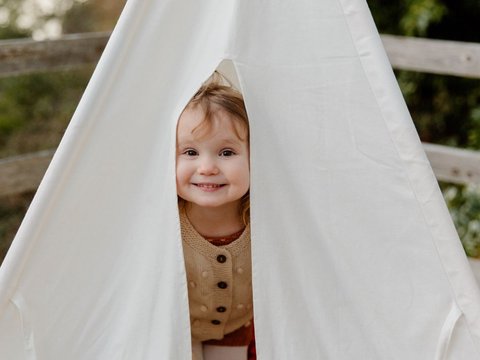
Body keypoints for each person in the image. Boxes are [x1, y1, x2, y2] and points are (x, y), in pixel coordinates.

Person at [176, 73, 255, 360]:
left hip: (235, 329)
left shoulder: (264, 219)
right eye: (190, 152)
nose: (207, 167)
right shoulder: (164, 223)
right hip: (177, 327)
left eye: (226, 152)